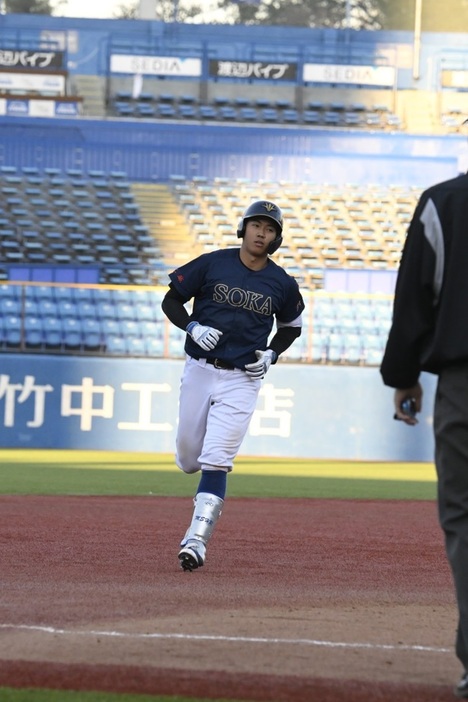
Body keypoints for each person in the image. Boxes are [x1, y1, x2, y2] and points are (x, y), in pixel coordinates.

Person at [161, 199, 305, 572]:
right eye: (257, 225)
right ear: (244, 228)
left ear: (276, 238)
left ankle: (196, 540)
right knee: (190, 456)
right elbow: (171, 299)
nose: (262, 233)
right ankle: (189, 465)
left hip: (243, 378)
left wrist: (272, 354)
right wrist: (192, 325)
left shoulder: (282, 282)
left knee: (217, 460)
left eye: (270, 228)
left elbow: (292, 327)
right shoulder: (213, 262)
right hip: (200, 368)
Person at [380, 171, 468, 699]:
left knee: (463, 515)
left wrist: (403, 374)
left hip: (464, 381)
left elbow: (414, 298)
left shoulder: (444, 202)